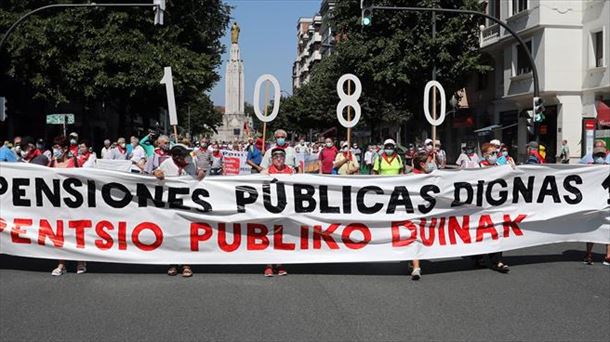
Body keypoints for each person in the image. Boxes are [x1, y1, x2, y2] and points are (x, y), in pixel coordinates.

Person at [153, 144, 204, 278]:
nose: (187, 157)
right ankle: (173, 263)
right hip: (171, 206)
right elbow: (153, 175)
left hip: (188, 205)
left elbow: (199, 175)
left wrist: (201, 174)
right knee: (172, 234)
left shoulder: (192, 162)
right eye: (183, 156)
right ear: (176, 157)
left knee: (187, 235)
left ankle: (187, 264)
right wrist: (156, 174)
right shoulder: (166, 164)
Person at [49, 136, 87, 276]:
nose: (55, 150)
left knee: (77, 232)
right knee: (59, 233)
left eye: (58, 148)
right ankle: (61, 264)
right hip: (57, 204)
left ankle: (81, 261)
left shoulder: (75, 162)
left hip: (74, 204)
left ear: (65, 149)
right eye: (54, 147)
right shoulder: (51, 163)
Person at [473, 143, 510, 273]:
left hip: (496, 206)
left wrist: (512, 167)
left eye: (496, 153)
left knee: (498, 232)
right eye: (492, 153)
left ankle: (497, 261)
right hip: (481, 207)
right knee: (481, 232)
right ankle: (478, 257)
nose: (495, 155)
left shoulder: (500, 167)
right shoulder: (478, 167)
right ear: (484, 155)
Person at [260, 148, 293, 277]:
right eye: (276, 157)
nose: (279, 159)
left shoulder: (291, 171)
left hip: (285, 210)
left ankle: (279, 264)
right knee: (268, 236)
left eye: (281, 156)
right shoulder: (265, 172)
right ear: (272, 159)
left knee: (282, 237)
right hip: (269, 209)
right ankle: (268, 265)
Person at [407, 151, 438, 280]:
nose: (432, 165)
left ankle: (413, 261)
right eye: (429, 162)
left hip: (427, 214)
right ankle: (416, 267)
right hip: (413, 213)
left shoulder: (431, 177)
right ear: (421, 164)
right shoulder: (409, 177)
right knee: (414, 237)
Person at [583, 144, 610, 266]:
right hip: (600, 203)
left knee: (597, 228)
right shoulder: (604, 168)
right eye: (598, 155)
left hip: (598, 203)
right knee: (603, 227)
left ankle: (592, 254)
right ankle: (603, 254)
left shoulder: (590, 169)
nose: (599, 157)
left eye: (601, 155)